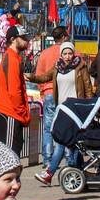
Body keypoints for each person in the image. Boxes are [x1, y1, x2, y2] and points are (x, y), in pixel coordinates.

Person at [34, 40, 94, 186]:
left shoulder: (80, 67)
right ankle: (75, 169)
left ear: (73, 54)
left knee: (62, 141)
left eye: (70, 53)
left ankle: (50, 173)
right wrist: (29, 77)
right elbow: (44, 77)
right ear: (61, 55)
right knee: (72, 142)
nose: (67, 56)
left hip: (74, 110)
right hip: (61, 110)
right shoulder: (57, 68)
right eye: (65, 53)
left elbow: (88, 87)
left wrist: (90, 107)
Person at [27, 25, 69, 173]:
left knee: (48, 128)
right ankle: (68, 158)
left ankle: (47, 159)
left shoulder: (45, 54)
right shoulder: (71, 52)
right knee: (66, 127)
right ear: (64, 37)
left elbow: (39, 75)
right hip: (66, 93)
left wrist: (43, 92)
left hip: (49, 91)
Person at [0, 26, 30, 156]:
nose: (27, 40)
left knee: (10, 158)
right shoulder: (12, 59)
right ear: (13, 39)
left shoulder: (12, 57)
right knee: (10, 158)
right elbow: (14, 92)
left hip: (9, 113)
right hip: (9, 114)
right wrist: (22, 113)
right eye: (23, 38)